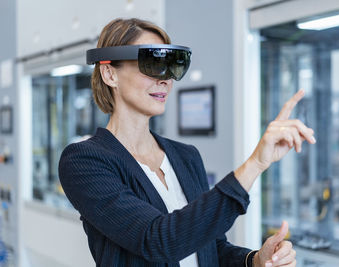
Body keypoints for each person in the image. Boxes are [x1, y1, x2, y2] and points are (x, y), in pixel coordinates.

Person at [59, 18, 316, 267]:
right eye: (152, 64)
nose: (165, 79)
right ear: (109, 73)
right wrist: (256, 163)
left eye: (172, 67)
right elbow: (157, 240)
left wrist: (255, 260)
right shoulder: (84, 161)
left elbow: (210, 247)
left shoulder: (186, 156)